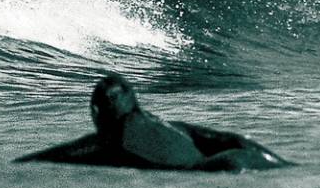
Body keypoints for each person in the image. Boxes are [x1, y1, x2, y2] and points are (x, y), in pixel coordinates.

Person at [15, 73, 292, 171]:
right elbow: (235, 140)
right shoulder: (172, 125)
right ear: (135, 102)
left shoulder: (108, 142)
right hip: (237, 158)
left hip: (213, 171)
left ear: (97, 113)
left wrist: (21, 162)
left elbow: (60, 154)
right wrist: (285, 163)